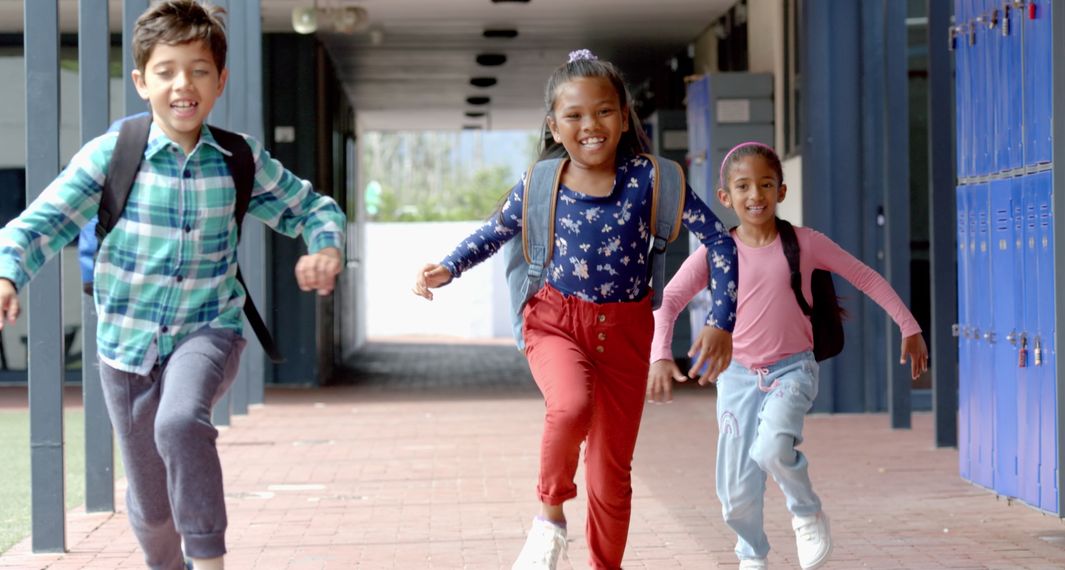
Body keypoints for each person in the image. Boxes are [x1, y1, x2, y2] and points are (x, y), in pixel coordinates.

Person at [0, 2, 345, 569]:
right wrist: (9, 272)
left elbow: (311, 207)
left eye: (199, 70)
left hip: (208, 329)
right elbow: (38, 225)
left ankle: (208, 559)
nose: (183, 85)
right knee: (153, 504)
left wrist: (324, 245)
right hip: (125, 347)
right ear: (141, 81)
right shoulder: (113, 155)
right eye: (166, 71)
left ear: (220, 80)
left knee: (181, 420)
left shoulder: (238, 159)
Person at [412, 49, 739, 570]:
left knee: (612, 474)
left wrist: (722, 320)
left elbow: (721, 244)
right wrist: (447, 268)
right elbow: (493, 233)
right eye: (575, 115)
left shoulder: (653, 180)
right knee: (568, 407)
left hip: (628, 331)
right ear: (554, 125)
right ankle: (549, 517)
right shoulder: (542, 183)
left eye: (604, 111)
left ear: (624, 115)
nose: (591, 125)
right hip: (556, 322)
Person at [647, 142, 929, 570]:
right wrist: (660, 354)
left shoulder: (805, 243)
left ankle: (806, 512)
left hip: (792, 370)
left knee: (774, 447)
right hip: (737, 377)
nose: (755, 195)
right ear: (726, 197)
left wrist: (909, 325)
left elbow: (865, 276)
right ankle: (752, 555)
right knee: (735, 494)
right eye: (743, 186)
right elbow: (667, 301)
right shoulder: (717, 251)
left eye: (765, 184)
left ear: (781, 191)